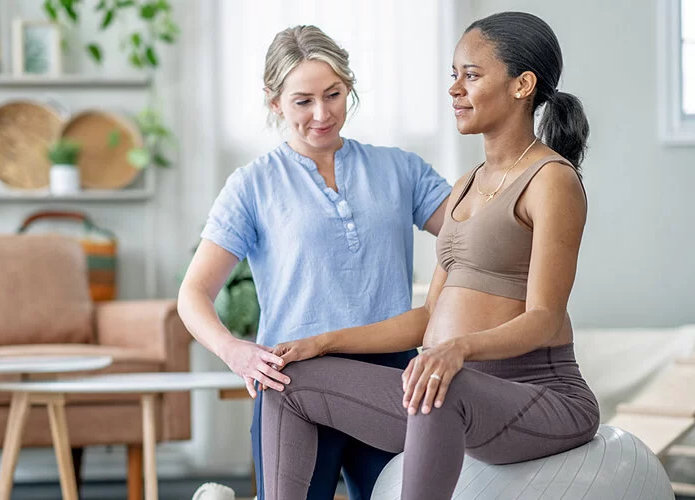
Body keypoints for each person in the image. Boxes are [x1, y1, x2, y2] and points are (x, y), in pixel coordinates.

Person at [261, 12, 599, 500]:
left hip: (538, 396)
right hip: (447, 395)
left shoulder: (551, 180)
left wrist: (458, 349)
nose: (455, 89)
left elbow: (545, 320)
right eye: (453, 75)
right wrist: (322, 341)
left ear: (523, 84)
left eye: (472, 74)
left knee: (443, 386)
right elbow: (426, 320)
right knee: (286, 381)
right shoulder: (465, 185)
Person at [177, 25, 452, 500]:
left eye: (334, 94)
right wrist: (234, 350)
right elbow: (192, 294)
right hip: (294, 383)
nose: (323, 114)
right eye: (303, 101)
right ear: (274, 102)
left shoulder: (401, 170)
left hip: (391, 379)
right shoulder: (251, 186)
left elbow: (473, 237)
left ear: (350, 88)